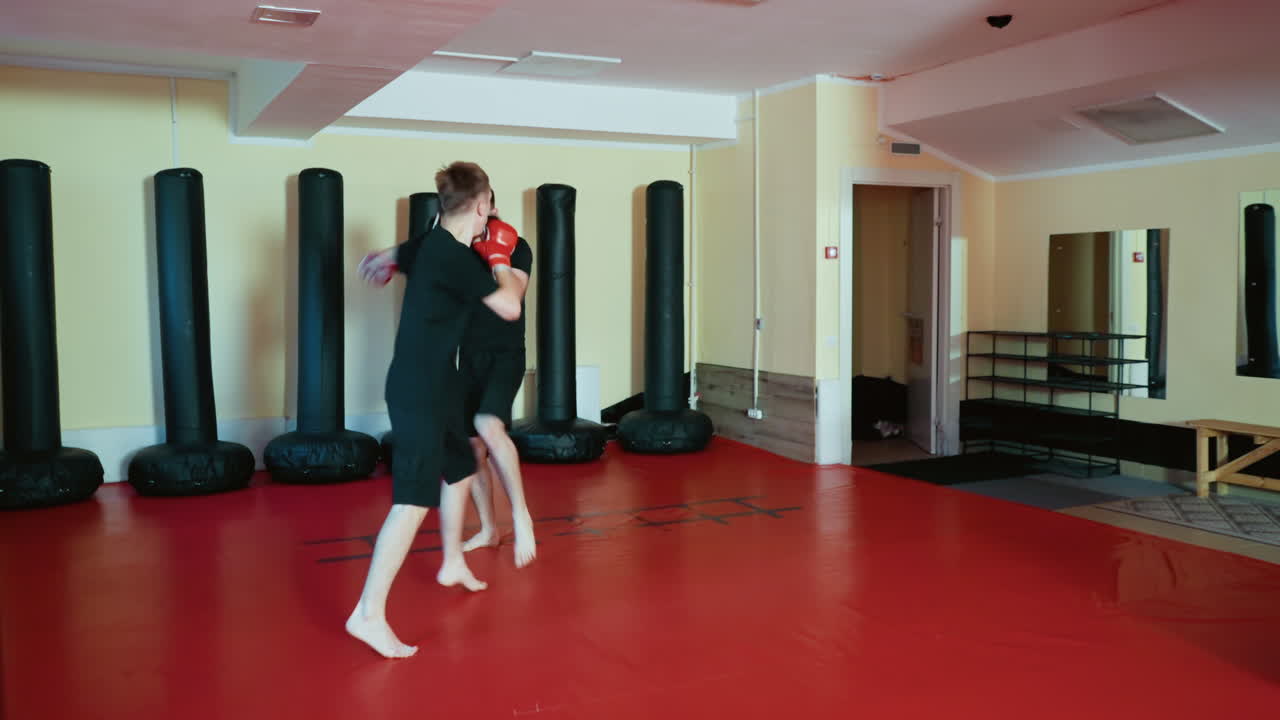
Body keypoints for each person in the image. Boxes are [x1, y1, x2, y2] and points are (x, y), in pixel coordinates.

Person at [346, 162, 521, 659]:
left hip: (440, 380)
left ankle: (450, 563)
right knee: (412, 500)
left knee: (461, 467)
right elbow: (510, 306)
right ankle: (367, 614)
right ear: (483, 202)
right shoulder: (458, 258)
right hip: (419, 389)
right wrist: (501, 256)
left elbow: (391, 255)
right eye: (490, 202)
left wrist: (382, 260)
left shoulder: (429, 244)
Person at [458, 189, 537, 568]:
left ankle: (520, 515)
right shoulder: (460, 247)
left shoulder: (517, 245)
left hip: (505, 356)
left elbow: (514, 296)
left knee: (489, 426)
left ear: (492, 207)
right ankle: (489, 528)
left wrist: (498, 256)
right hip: (468, 359)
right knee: (472, 448)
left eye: (484, 202)